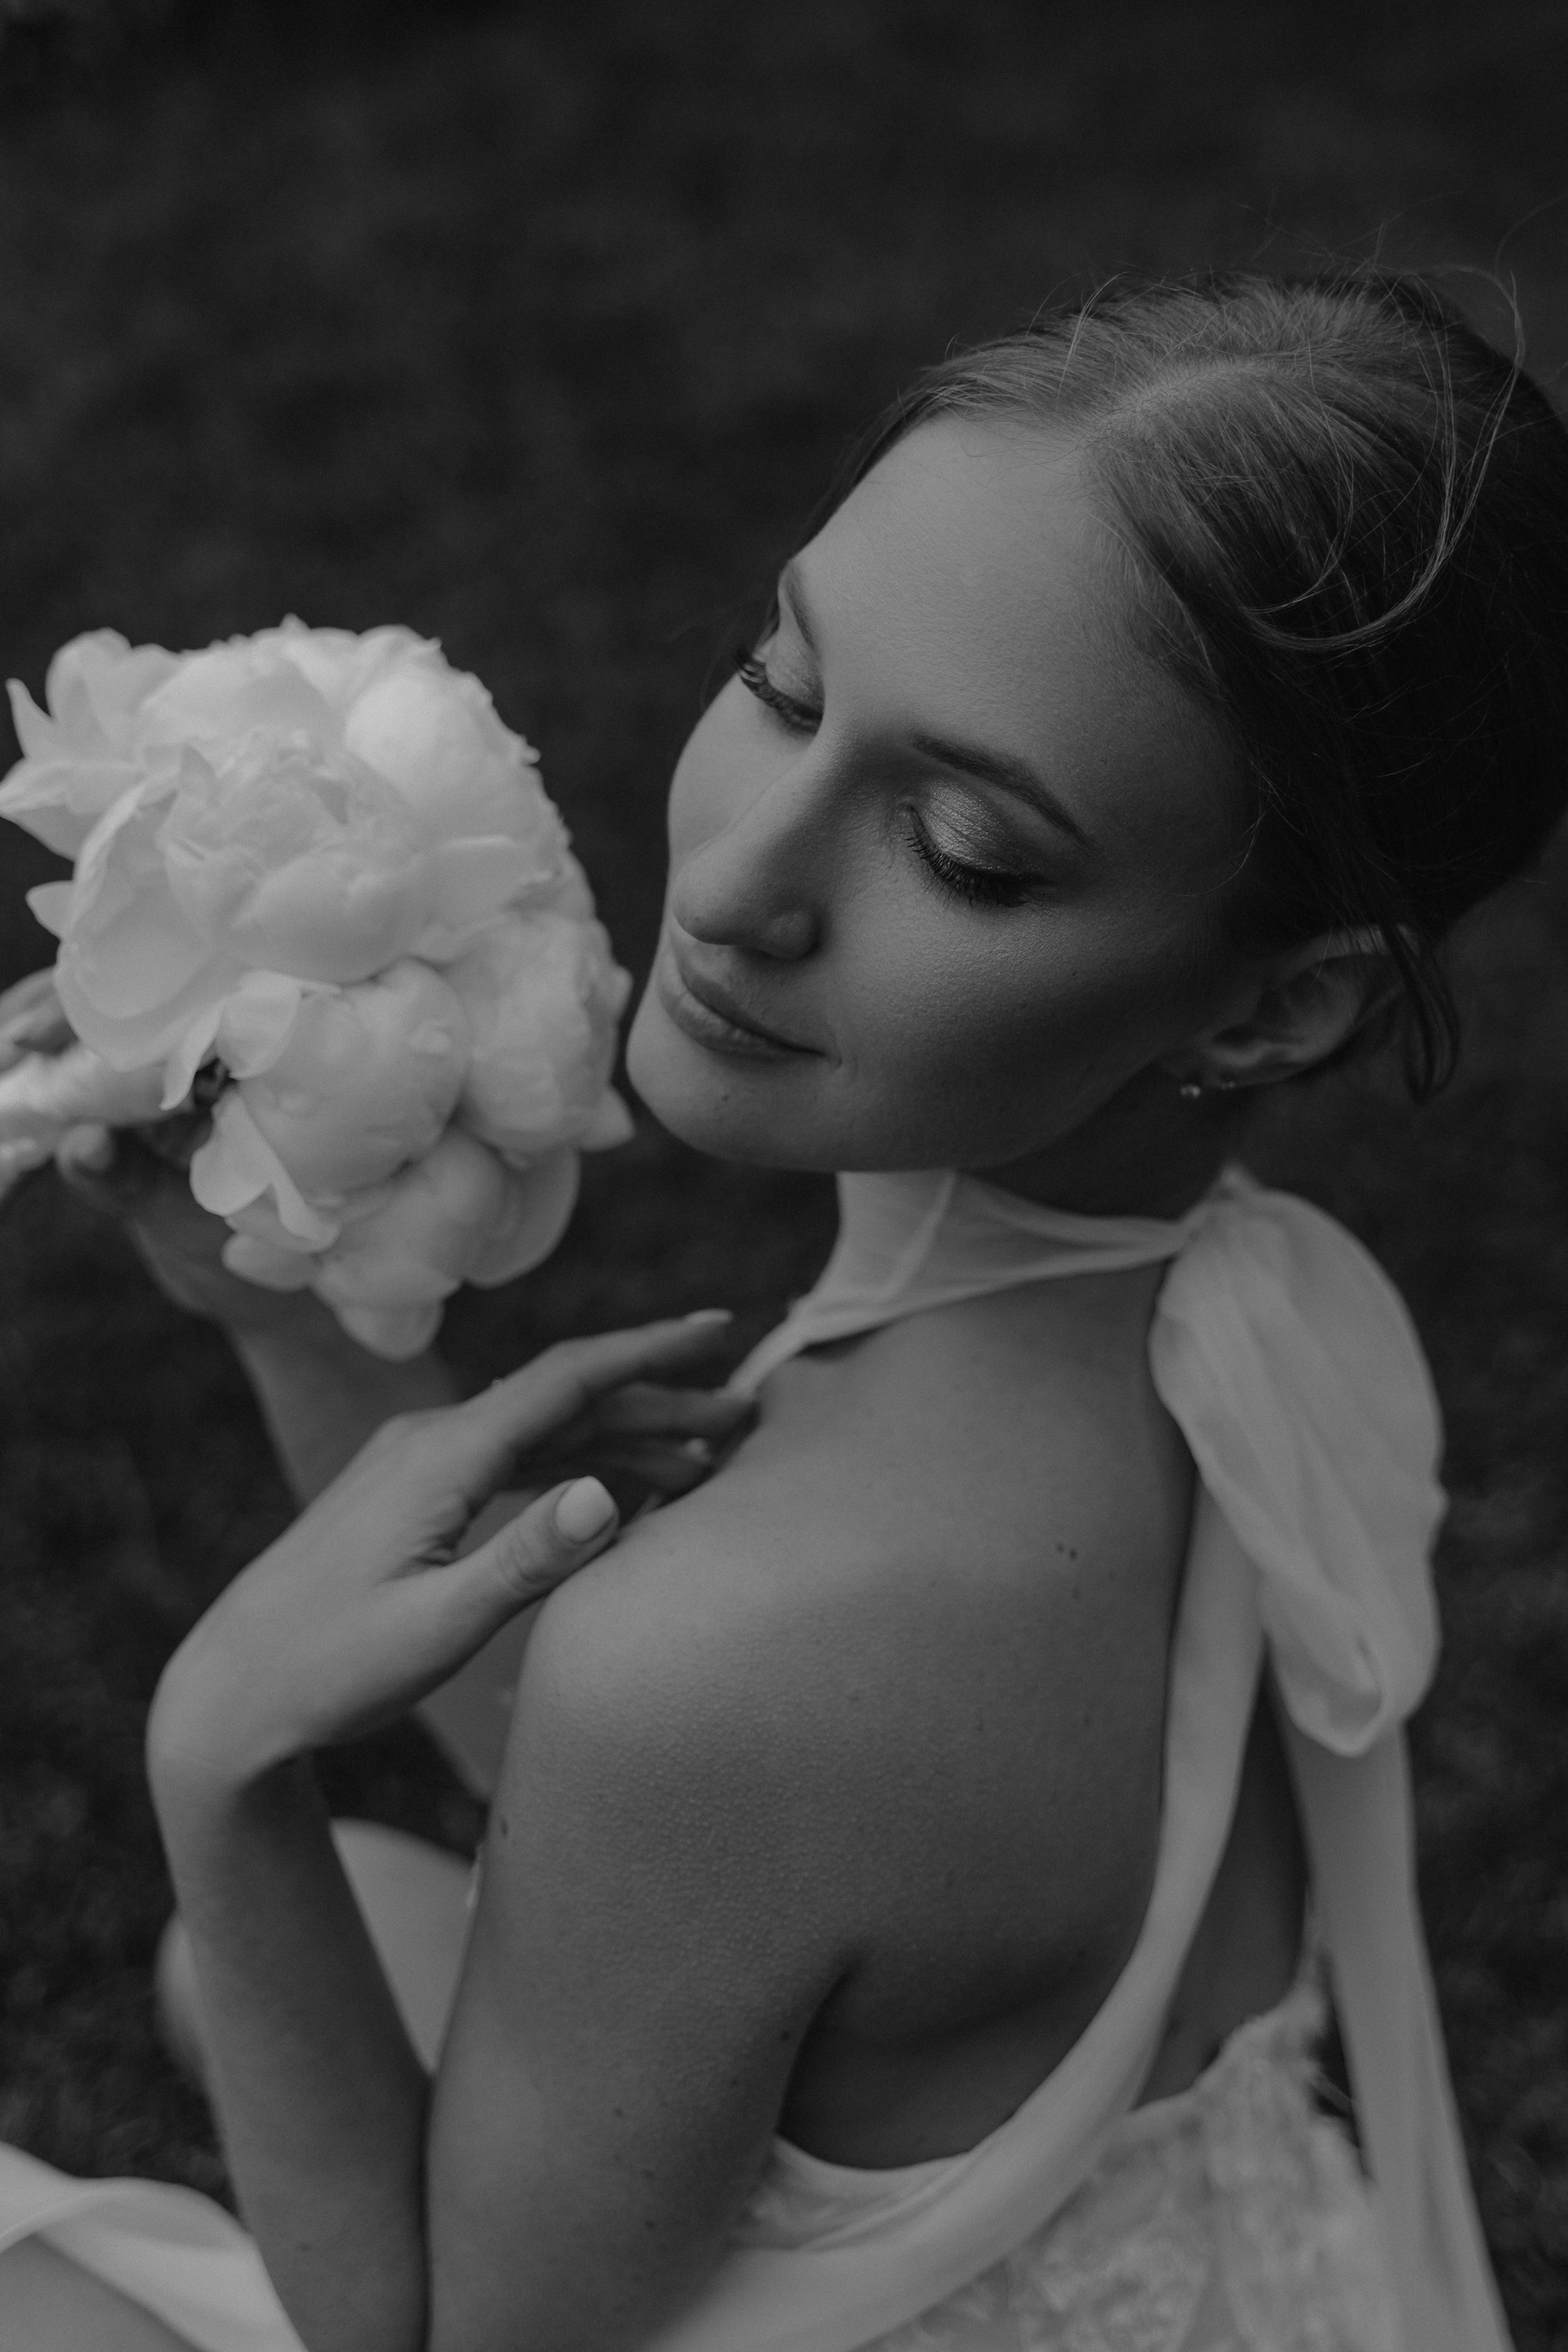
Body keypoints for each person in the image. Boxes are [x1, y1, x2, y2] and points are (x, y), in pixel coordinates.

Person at [2, 265, 1566, 2352]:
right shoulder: (1242, 1326)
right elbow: (700, 1841)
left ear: (1277, 1008)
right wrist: (298, 1327)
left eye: (967, 849)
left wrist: (223, 1760)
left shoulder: (755, 1649)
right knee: (306, 1956)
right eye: (784, 679)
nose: (740, 879)